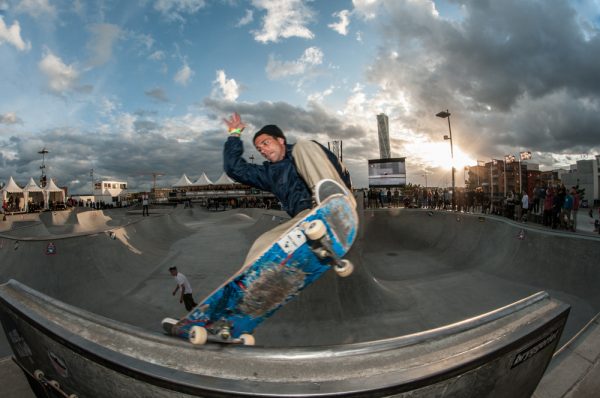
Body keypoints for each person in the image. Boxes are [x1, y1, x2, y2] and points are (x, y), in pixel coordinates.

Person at [222, 112, 354, 264]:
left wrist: (343, 190)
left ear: (280, 140)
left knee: (303, 146)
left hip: (337, 202)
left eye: (265, 143)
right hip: (306, 219)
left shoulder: (306, 150)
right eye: (259, 149)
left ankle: (332, 206)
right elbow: (234, 169)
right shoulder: (268, 174)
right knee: (261, 247)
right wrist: (234, 134)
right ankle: (256, 282)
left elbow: (339, 169)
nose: (262, 150)